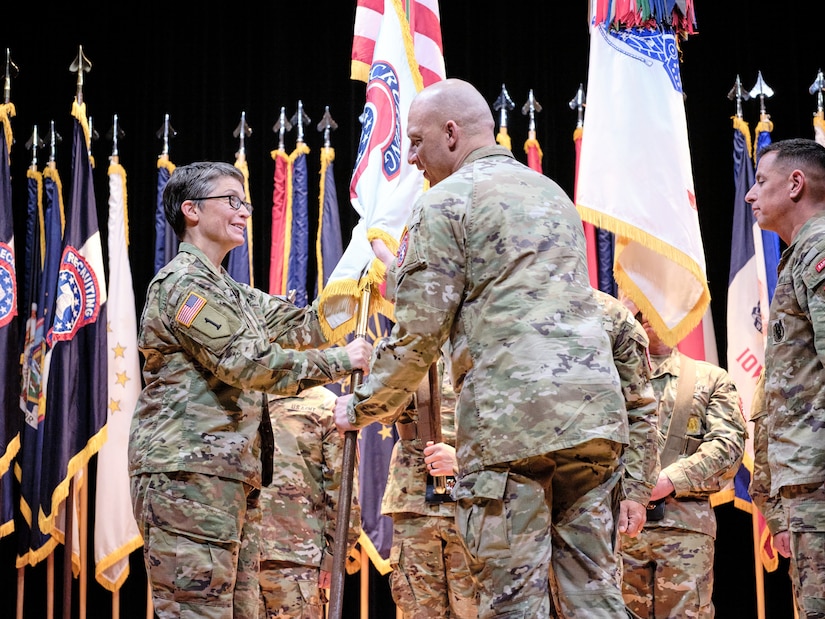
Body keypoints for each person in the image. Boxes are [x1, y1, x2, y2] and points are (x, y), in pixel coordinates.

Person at [334, 78, 631, 618]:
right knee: (594, 594)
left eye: (418, 141)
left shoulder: (445, 202)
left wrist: (359, 405)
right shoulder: (551, 193)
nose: (413, 158)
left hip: (511, 426)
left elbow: (418, 334)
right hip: (593, 417)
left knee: (513, 600)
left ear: (451, 133)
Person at [129, 161, 372, 619]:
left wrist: (361, 278)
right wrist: (342, 362)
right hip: (188, 478)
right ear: (192, 211)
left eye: (246, 203)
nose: (244, 212)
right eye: (232, 201)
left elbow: (308, 325)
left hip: (230, 477)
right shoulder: (184, 286)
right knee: (196, 611)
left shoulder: (234, 293)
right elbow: (248, 363)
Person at [619, 298, 745, 619]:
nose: (648, 314)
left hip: (684, 532)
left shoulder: (710, 379)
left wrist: (669, 481)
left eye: (658, 303)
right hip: (619, 533)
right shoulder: (611, 379)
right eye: (641, 306)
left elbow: (728, 447)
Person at [746, 137, 825, 618]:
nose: (751, 196)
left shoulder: (819, 250)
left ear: (795, 184)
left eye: (760, 181)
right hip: (807, 486)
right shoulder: (799, 256)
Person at [547, 289, 660, 619]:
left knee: (592, 603)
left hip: (587, 490)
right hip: (514, 485)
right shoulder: (500, 304)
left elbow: (639, 411)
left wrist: (636, 491)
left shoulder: (613, 317)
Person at [383, 359, 477, 619]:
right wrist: (386, 360)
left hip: (472, 500)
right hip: (416, 503)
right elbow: (382, 410)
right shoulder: (410, 348)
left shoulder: (487, 344)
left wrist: (464, 462)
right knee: (420, 610)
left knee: (476, 609)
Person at [258, 385, 362, 619]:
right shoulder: (251, 398)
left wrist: (335, 555)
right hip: (244, 554)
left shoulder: (328, 406)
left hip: (298, 558)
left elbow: (343, 488)